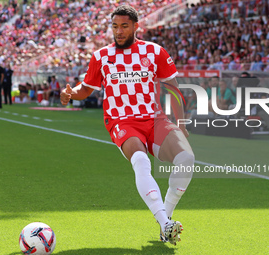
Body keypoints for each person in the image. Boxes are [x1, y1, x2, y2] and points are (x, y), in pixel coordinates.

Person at [60, 5, 194, 246]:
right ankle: (165, 224)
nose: (118, 31)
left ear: (135, 26)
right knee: (141, 160)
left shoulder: (154, 52)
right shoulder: (101, 56)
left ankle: (166, 216)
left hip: (155, 120)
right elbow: (85, 88)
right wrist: (71, 94)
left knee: (187, 160)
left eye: (124, 26)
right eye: (114, 26)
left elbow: (174, 89)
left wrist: (181, 124)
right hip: (122, 122)